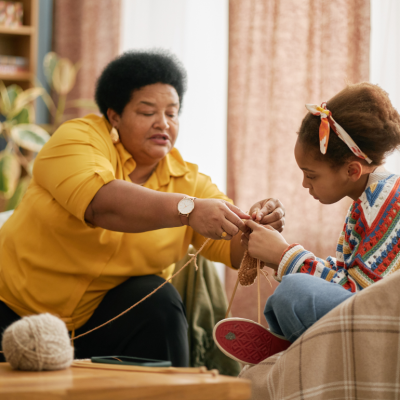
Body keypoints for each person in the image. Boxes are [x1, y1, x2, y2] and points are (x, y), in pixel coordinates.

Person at [0, 50, 285, 367]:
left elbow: (234, 250)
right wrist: (187, 210)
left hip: (100, 324)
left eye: (172, 113)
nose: (163, 123)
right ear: (114, 116)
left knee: (156, 297)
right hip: (12, 308)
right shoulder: (78, 138)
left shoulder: (191, 182)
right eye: (147, 111)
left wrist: (258, 227)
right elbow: (100, 204)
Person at [214, 82, 400, 366]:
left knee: (295, 292)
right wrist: (279, 258)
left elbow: (362, 297)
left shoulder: (389, 202)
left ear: (352, 170)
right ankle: (294, 344)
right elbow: (347, 277)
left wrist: (284, 255)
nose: (304, 184)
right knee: (291, 290)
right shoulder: (367, 200)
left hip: (384, 323)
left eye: (311, 175)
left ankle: (293, 348)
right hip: (369, 308)